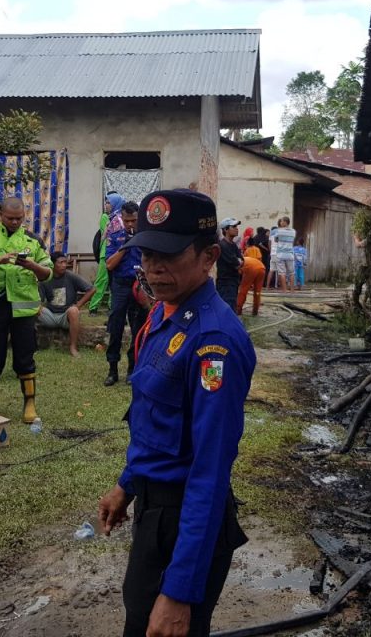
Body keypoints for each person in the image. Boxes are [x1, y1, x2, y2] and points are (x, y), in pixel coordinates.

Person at [98, 189, 254, 637]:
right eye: (147, 254)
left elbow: (209, 469)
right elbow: (156, 423)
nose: (153, 268)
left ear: (208, 257)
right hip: (155, 510)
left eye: (168, 256)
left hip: (184, 517)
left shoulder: (213, 342)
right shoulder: (167, 315)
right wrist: (127, 484)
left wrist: (180, 590)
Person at [0, 196, 53, 423]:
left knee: (25, 357)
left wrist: (32, 265)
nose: (14, 222)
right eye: (10, 218)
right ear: (0, 215)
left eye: (19, 218)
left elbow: (48, 273)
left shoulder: (33, 241)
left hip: (24, 310)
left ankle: (30, 403)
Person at [104, 200, 146, 387]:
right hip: (120, 285)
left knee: (139, 329)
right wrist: (126, 245)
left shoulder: (145, 237)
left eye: (133, 220)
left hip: (139, 285)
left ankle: (132, 369)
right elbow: (109, 264)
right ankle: (112, 370)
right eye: (127, 220)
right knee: (116, 327)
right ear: (122, 218)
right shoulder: (115, 236)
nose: (130, 224)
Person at [38, 251, 95, 357]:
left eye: (65, 262)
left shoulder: (71, 276)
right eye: (60, 262)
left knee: (73, 311)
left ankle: (73, 347)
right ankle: (32, 345)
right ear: (52, 264)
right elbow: (39, 301)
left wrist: (78, 305)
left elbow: (92, 289)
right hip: (50, 315)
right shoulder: (45, 278)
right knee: (33, 309)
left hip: (66, 317)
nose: (64, 265)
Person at [215, 218, 243, 310]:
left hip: (233, 282)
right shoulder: (223, 246)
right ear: (225, 229)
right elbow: (237, 264)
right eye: (233, 226)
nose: (236, 229)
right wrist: (239, 261)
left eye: (236, 226)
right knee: (227, 308)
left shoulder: (233, 245)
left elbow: (242, 260)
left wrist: (239, 261)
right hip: (225, 284)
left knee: (231, 306)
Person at [237, 245, 266, 317]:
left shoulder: (239, 261)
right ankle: (255, 311)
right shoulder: (245, 258)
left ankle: (238, 309)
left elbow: (239, 271)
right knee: (257, 292)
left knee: (243, 289)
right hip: (262, 268)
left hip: (251, 268)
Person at [269, 216, 297, 292]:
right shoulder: (293, 231)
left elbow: (276, 240)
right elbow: (292, 240)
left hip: (280, 254)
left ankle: (284, 291)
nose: (280, 222)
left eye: (281, 221)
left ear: (285, 222)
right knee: (292, 273)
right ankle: (292, 291)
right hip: (290, 254)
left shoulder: (278, 231)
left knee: (282, 273)